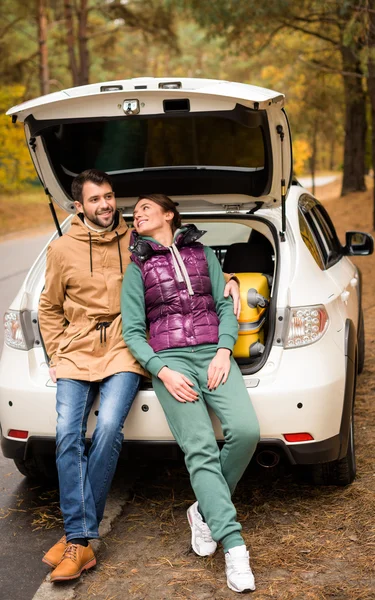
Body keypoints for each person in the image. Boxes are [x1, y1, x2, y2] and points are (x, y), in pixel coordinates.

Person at [38, 170, 240, 583]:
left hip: (123, 348)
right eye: (95, 200)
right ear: (79, 207)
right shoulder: (60, 249)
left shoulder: (133, 237)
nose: (105, 205)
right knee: (66, 434)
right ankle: (80, 534)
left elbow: (182, 258)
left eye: (110, 197)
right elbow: (48, 306)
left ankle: (76, 540)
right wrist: (57, 353)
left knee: (110, 427)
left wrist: (230, 279)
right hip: (76, 350)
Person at [121, 194, 260, 593]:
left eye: (147, 208)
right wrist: (162, 371)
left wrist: (222, 351)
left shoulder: (202, 255)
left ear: (169, 215)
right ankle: (235, 548)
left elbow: (222, 305)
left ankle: (203, 511)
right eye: (136, 212)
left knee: (246, 431)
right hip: (171, 361)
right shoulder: (137, 268)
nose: (139, 213)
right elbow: (133, 331)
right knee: (199, 446)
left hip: (213, 354)